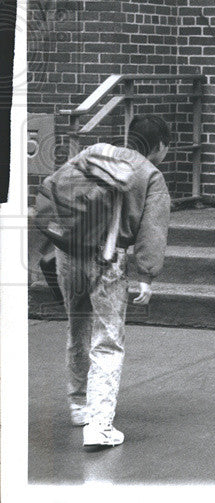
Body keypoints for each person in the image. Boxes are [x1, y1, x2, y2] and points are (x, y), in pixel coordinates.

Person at [56, 115, 171, 450]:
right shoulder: (151, 175)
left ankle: (79, 405)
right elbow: (153, 231)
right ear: (159, 144)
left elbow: (61, 190)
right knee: (107, 339)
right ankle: (100, 424)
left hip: (69, 251)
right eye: (166, 146)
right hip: (107, 258)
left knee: (77, 325)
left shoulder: (95, 151)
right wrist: (146, 275)